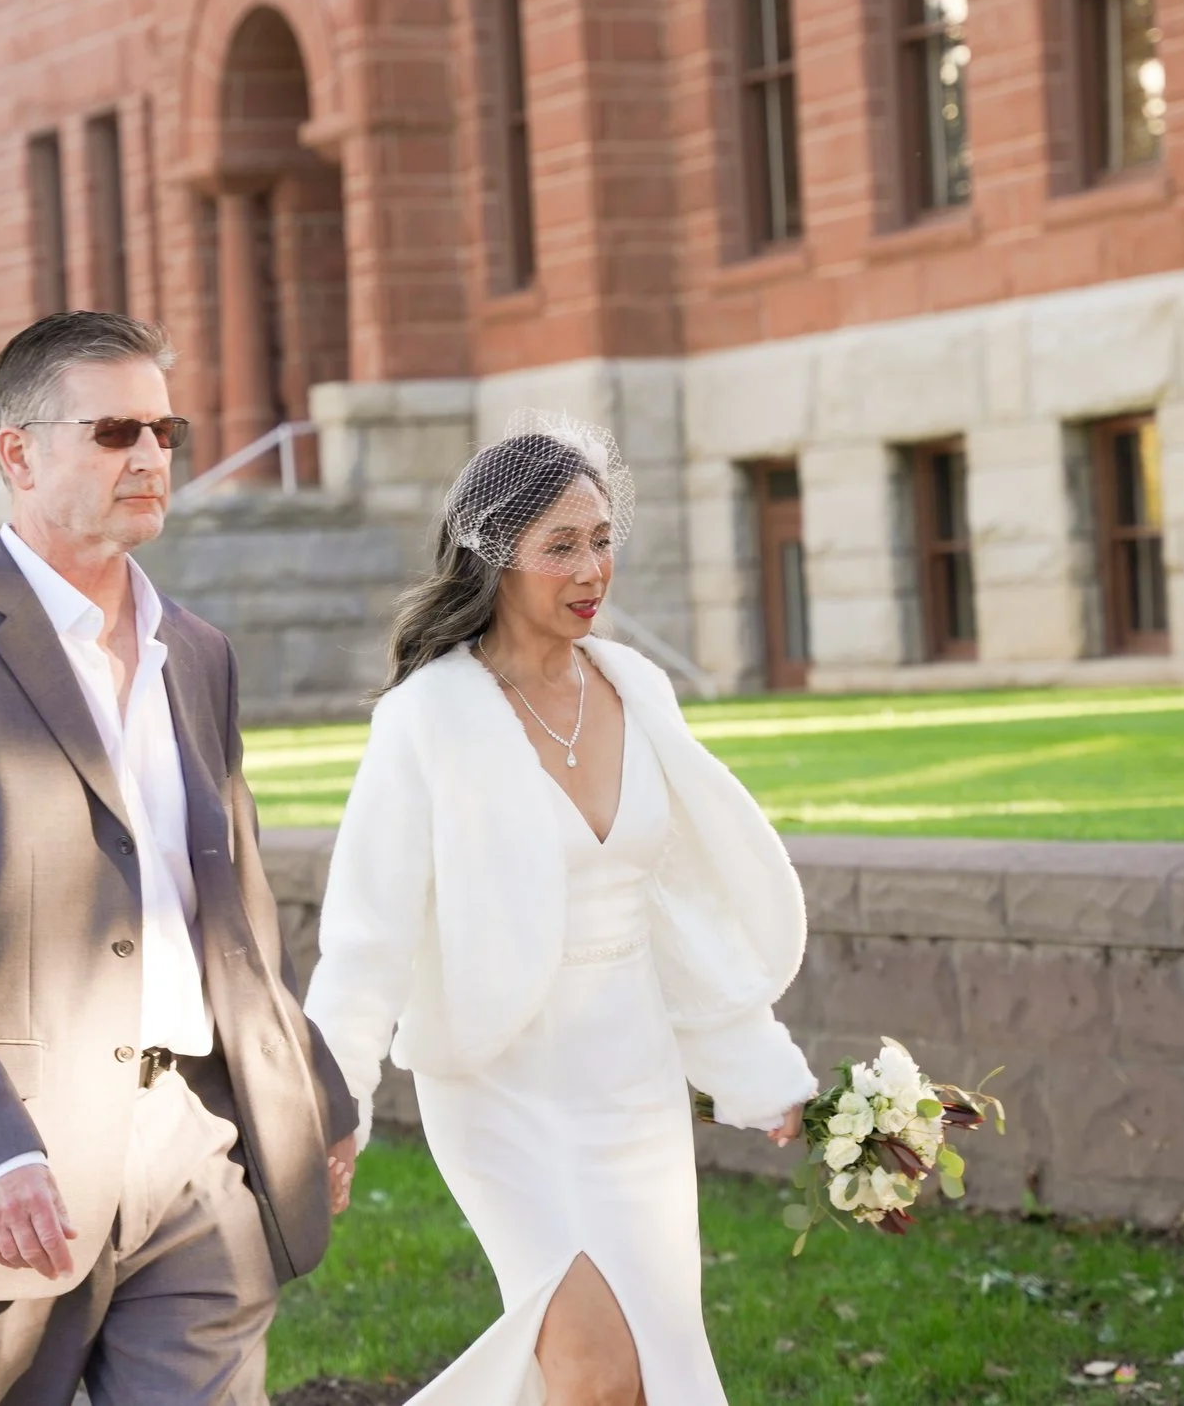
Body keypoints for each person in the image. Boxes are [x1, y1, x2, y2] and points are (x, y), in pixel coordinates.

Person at [0, 310, 360, 1406]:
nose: (151, 455)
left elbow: (236, 909)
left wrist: (315, 1094)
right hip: (13, 1155)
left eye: (167, 429)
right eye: (115, 430)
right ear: (15, 452)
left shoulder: (195, 652)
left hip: (199, 1140)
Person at [305, 415, 821, 1405]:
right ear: (493, 557)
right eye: (560, 546)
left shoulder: (636, 687)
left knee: (651, 1371)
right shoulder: (427, 717)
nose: (591, 568)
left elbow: (676, 909)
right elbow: (366, 938)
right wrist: (333, 1098)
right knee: (591, 1367)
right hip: (498, 1088)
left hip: (632, 1085)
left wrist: (759, 1072)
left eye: (600, 539)